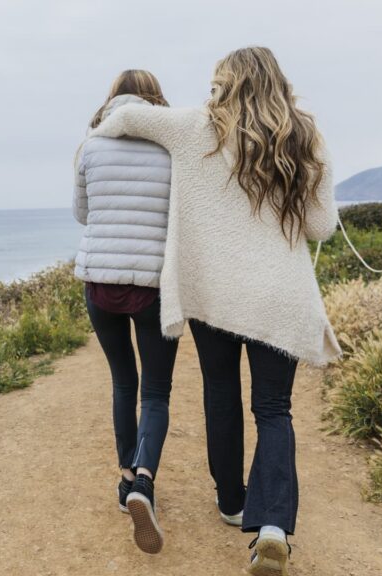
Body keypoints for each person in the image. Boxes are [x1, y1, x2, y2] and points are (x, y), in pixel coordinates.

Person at [94, 47, 339, 576]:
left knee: (221, 395)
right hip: (279, 298)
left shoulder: (194, 126)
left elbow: (125, 118)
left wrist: (101, 138)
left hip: (214, 296)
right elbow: (321, 225)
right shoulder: (305, 134)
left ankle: (232, 501)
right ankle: (272, 528)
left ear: (225, 83)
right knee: (273, 409)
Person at [73, 69, 178, 554]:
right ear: (156, 100)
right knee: (155, 391)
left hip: (101, 282)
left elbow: (83, 213)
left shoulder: (90, 146)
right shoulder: (170, 147)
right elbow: (180, 216)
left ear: (113, 98)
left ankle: (124, 479)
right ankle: (143, 481)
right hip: (153, 285)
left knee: (123, 382)